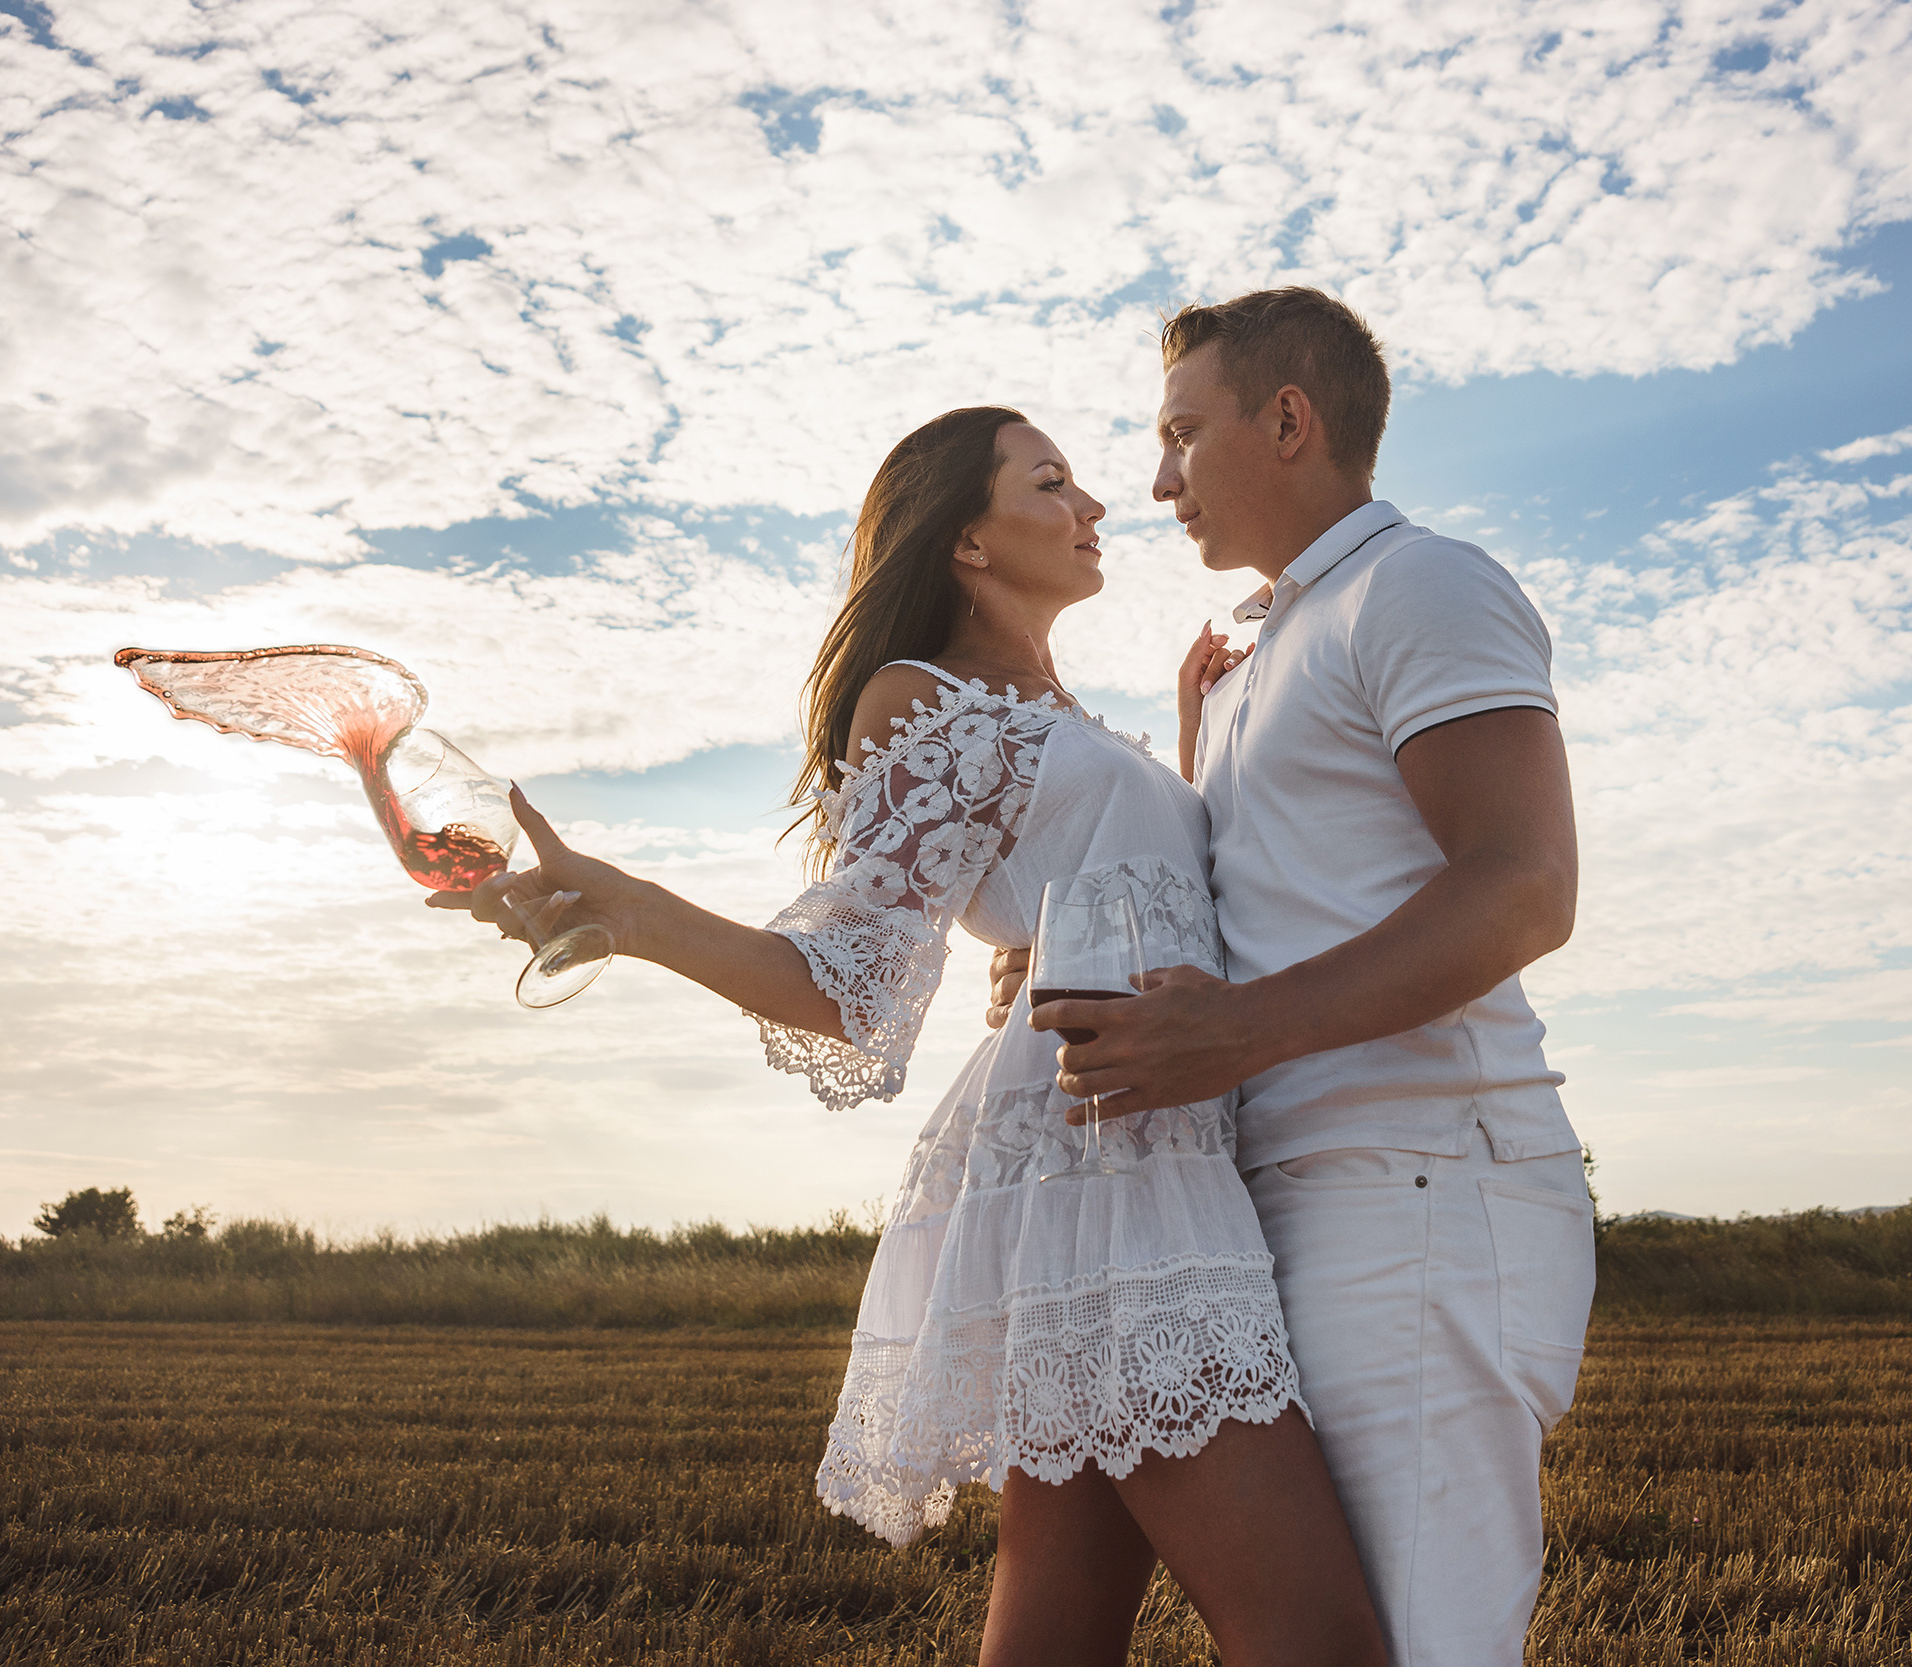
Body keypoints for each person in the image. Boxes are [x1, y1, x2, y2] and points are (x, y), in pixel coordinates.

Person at [428, 406, 1386, 1667]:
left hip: (1136, 1137)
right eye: (1051, 482)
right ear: (968, 544)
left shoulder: (1060, 710)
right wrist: (632, 911)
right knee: (1316, 1640)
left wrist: (1190, 744)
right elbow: (849, 982)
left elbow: (1124, 879)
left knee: (1055, 1627)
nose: (1095, 504)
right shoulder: (918, 699)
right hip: (1102, 1158)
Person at [1026, 288, 1596, 1667]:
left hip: (1421, 1186)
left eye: (1180, 434)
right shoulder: (1256, 649)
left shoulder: (1424, 584)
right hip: (1285, 1198)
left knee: (1419, 1645)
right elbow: (1279, 898)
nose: (1155, 479)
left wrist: (1232, 1035)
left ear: (1288, 420)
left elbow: (1524, 882)